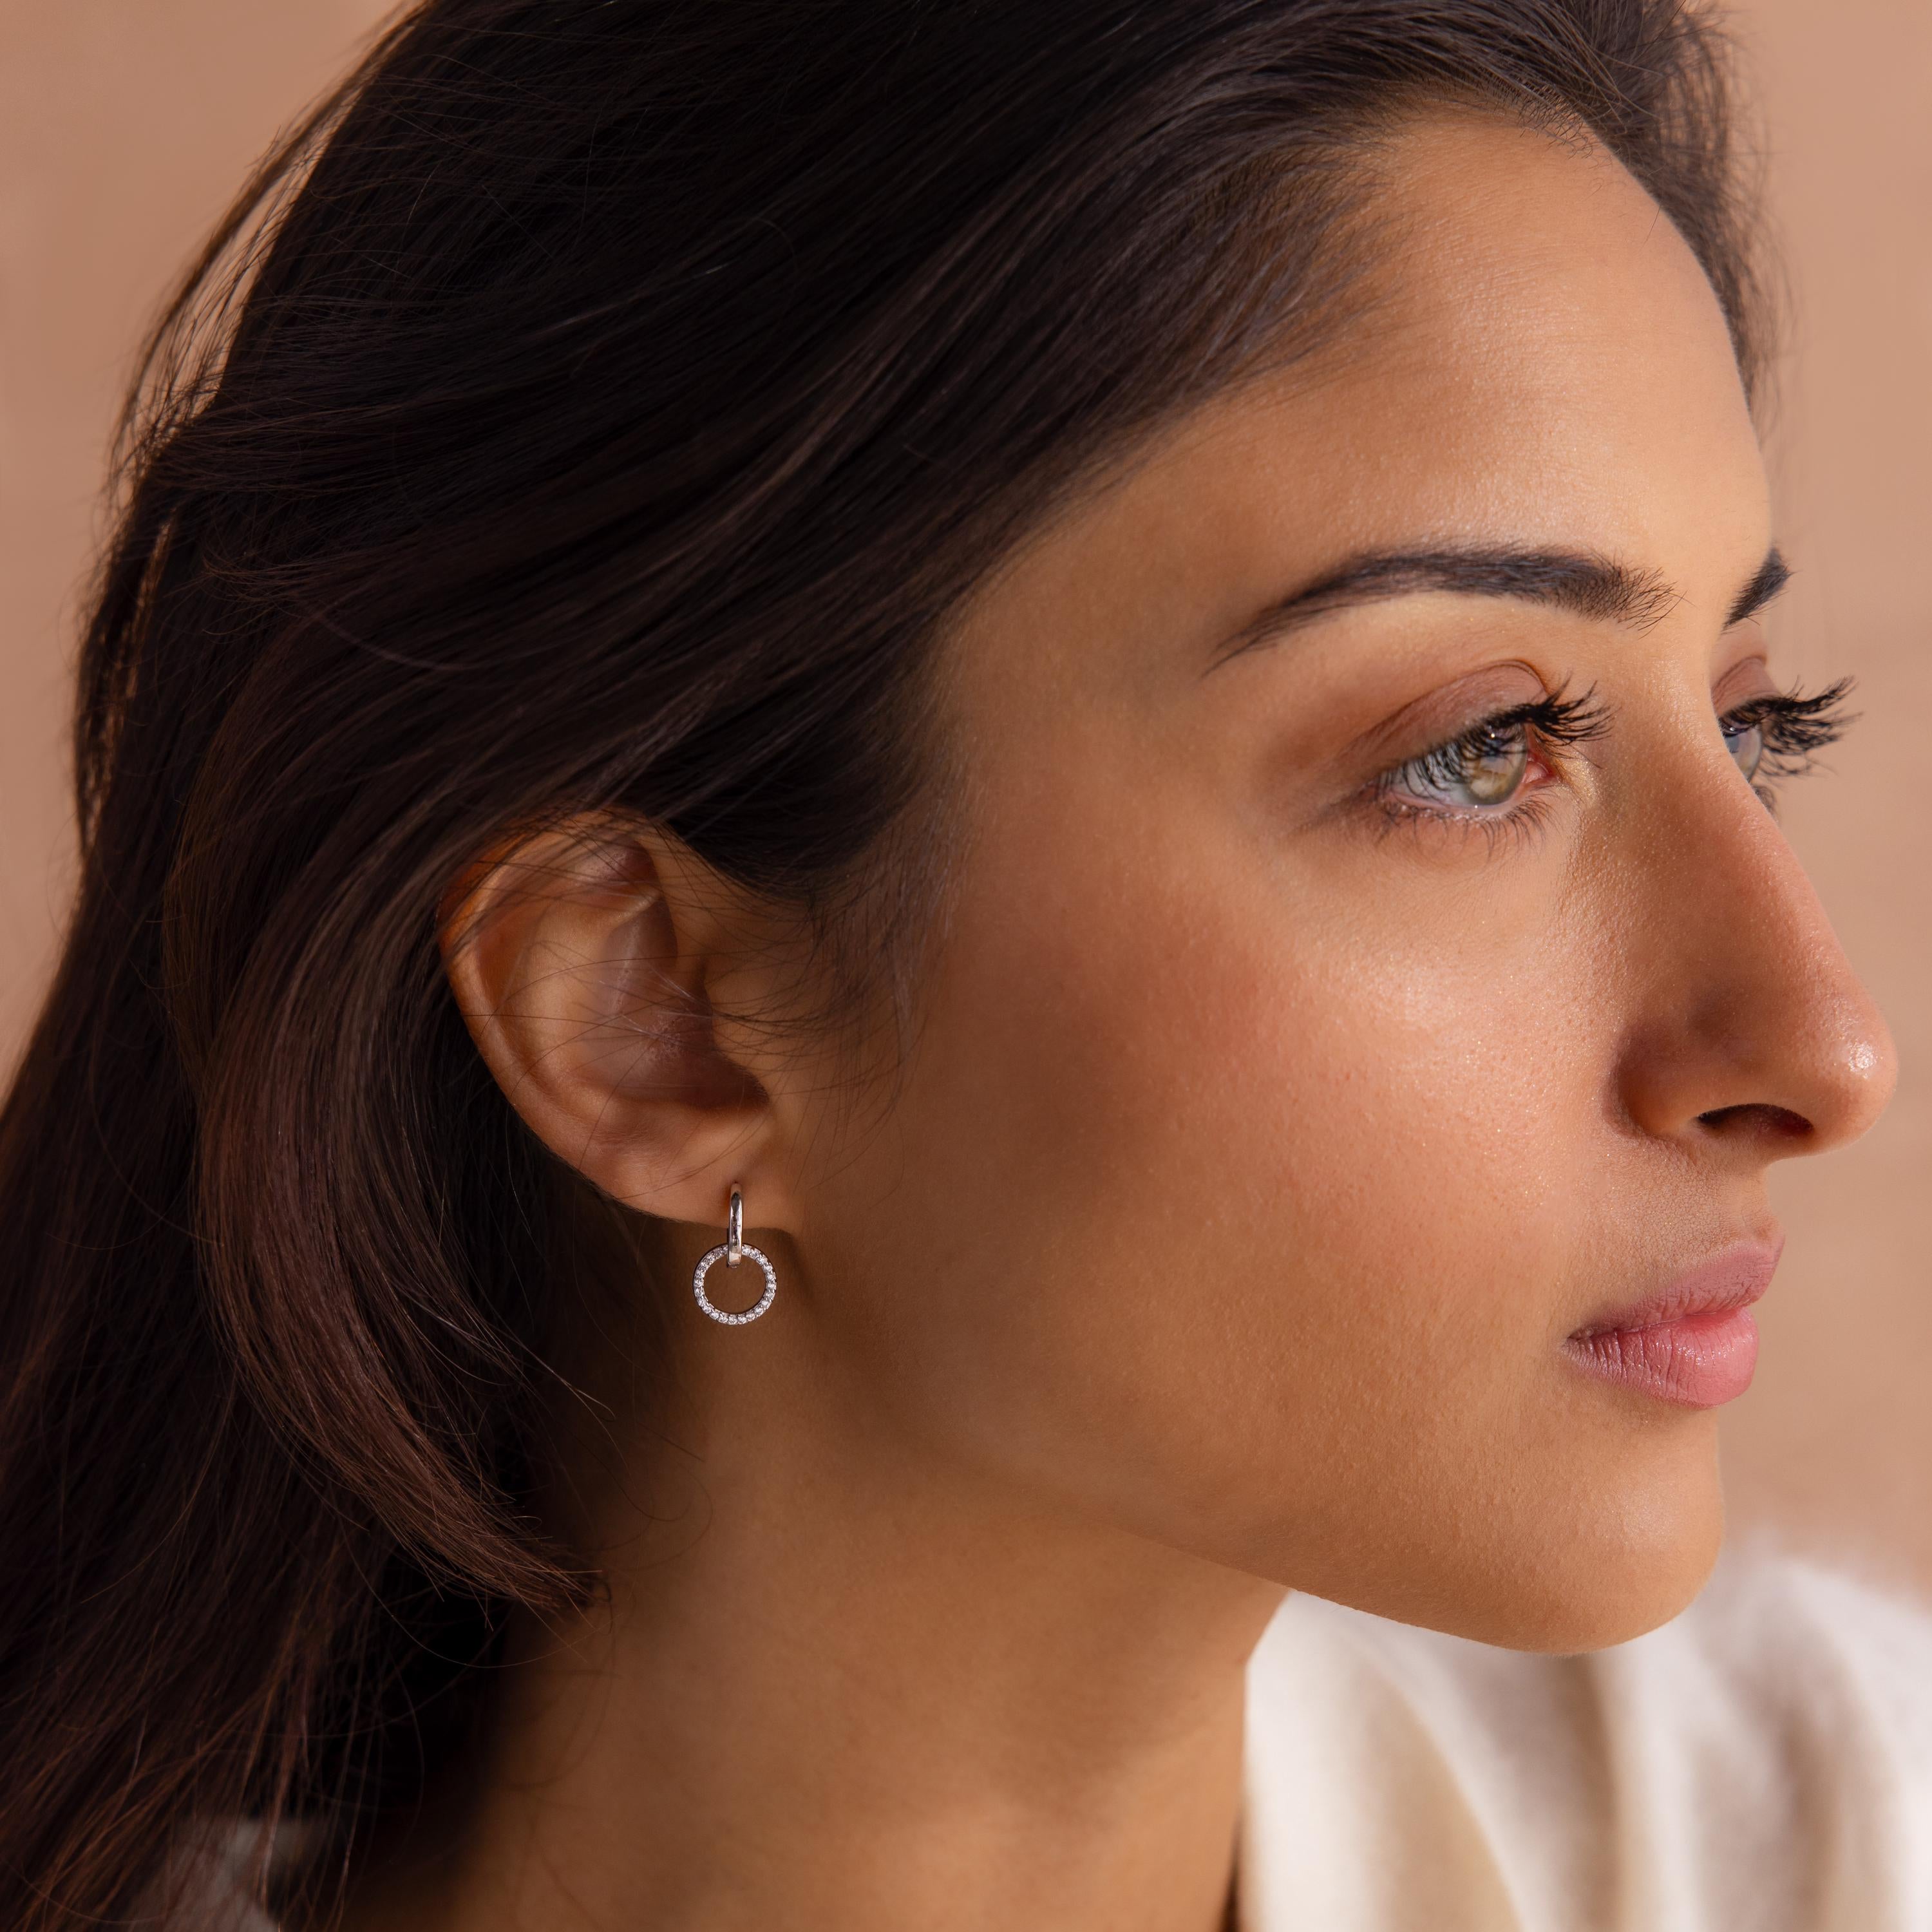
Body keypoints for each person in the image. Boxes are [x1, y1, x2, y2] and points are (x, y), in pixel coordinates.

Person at [5, 2, 1928, 1927]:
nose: (1826, 1048)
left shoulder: (1843, 1849)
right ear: (650, 1017)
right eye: (1474, 750)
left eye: (1756, 723)